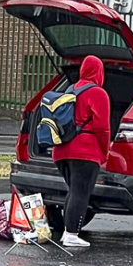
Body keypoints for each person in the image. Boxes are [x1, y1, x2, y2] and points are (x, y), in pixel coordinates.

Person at [53, 55, 110, 248]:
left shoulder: (70, 90)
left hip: (62, 150)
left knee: (74, 190)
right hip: (85, 151)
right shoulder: (98, 93)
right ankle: (71, 234)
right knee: (81, 192)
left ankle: (67, 232)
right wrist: (104, 151)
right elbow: (102, 127)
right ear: (99, 72)